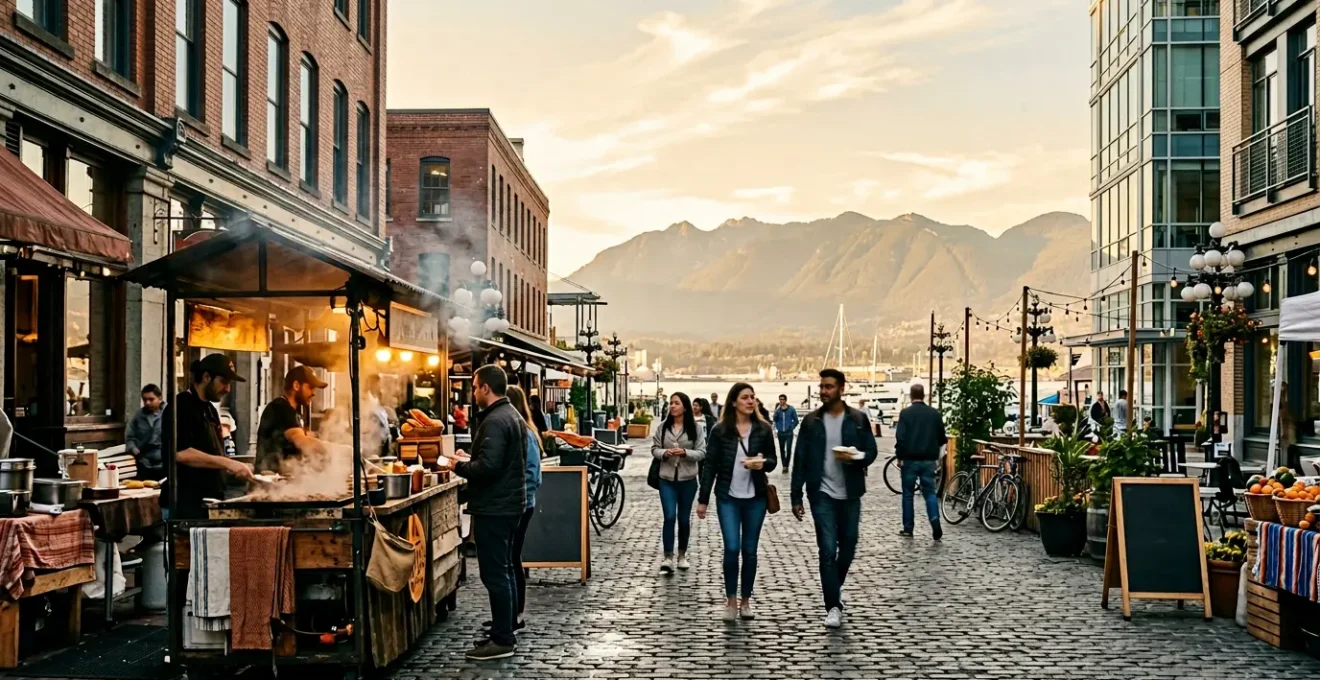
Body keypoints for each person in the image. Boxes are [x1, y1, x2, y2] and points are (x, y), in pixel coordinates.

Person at [790, 369, 878, 629]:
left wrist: (857, 457)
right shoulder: (811, 422)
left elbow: (871, 451)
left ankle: (833, 586)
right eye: (821, 386)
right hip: (821, 493)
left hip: (850, 492)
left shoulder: (858, 419)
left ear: (841, 388)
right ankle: (833, 605)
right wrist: (796, 496)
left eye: (828, 387)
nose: (823, 391)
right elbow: (800, 460)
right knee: (827, 549)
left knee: (848, 546)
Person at [452, 365, 528, 661]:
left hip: (496, 508)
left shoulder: (496, 420)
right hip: (507, 506)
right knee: (505, 570)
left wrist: (456, 465)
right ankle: (503, 629)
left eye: (474, 387)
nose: (472, 392)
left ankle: (502, 640)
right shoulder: (510, 415)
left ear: (486, 388)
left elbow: (489, 468)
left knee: (495, 573)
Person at [698, 383, 777, 622]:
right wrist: (703, 500)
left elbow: (773, 460)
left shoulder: (763, 429)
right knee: (732, 548)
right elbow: (709, 465)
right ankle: (730, 600)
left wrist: (762, 463)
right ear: (734, 402)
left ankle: (746, 600)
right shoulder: (721, 430)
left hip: (756, 498)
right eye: (745, 398)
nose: (750, 401)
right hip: (728, 497)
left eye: (753, 397)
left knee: (750, 551)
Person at [163, 355, 257, 519]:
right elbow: (180, 452)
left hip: (212, 500)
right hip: (188, 504)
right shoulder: (181, 405)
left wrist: (234, 469)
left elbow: (212, 454)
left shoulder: (210, 410)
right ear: (206, 377)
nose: (227, 389)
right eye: (224, 382)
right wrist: (227, 462)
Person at [651, 392, 706, 575]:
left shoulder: (695, 429)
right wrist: (664, 453)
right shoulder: (662, 427)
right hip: (666, 478)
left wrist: (685, 452)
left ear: (685, 407)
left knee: (683, 519)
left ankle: (682, 555)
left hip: (687, 479)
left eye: (676, 403)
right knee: (669, 517)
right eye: (671, 403)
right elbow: (654, 449)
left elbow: (701, 452)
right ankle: (668, 557)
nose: (672, 406)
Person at [504, 386, 542, 633]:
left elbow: (532, 474)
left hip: (521, 504)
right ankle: (510, 613)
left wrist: (515, 494)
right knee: (511, 559)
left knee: (512, 559)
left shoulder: (525, 434)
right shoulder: (523, 432)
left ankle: (515, 614)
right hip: (521, 502)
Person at [255, 366, 335, 474]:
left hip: (285, 477)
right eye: (310, 387)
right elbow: (300, 440)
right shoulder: (281, 407)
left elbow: (303, 435)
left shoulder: (294, 411)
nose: (314, 393)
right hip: (270, 479)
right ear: (296, 386)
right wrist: (336, 450)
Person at [894, 383, 946, 540]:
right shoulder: (934, 414)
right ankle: (934, 520)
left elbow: (900, 437)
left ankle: (908, 528)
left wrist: (899, 456)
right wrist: (937, 456)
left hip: (910, 460)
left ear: (910, 396)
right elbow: (942, 438)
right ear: (924, 396)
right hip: (928, 459)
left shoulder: (905, 414)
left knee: (908, 494)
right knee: (930, 493)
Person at [126, 384, 165, 481]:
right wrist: (134, 449)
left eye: (151, 399)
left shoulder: (169, 413)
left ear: (159, 398)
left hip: (164, 461)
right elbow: (129, 437)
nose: (147, 403)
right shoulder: (139, 416)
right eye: (144, 400)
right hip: (144, 461)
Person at [773, 394, 800, 474]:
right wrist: (777, 427)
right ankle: (784, 465)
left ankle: (786, 466)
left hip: (789, 433)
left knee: (788, 449)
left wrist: (791, 427)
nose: (781, 401)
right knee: (781, 449)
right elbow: (775, 420)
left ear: (785, 400)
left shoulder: (791, 409)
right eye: (780, 399)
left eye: (783, 399)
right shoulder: (778, 410)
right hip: (781, 432)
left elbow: (796, 420)